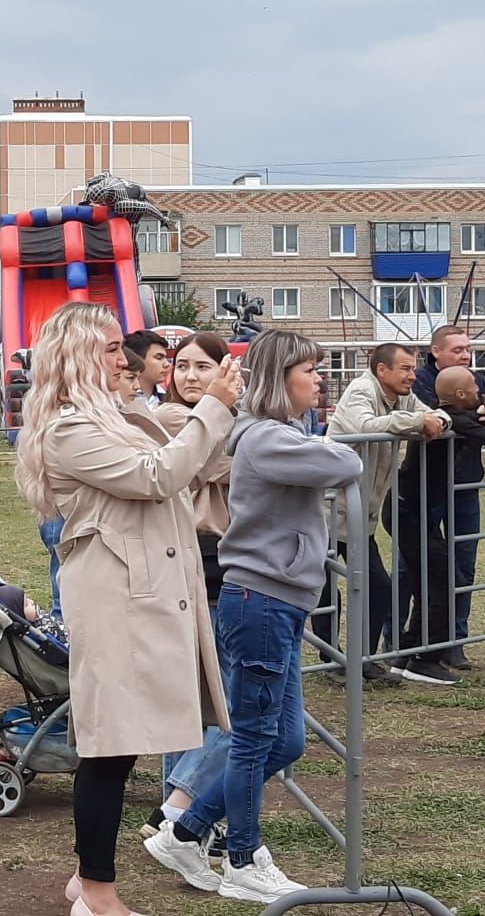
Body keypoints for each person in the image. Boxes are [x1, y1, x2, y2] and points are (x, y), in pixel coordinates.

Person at [12, 305, 238, 916]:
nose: (126, 360)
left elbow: (188, 466)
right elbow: (159, 476)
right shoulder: (68, 429)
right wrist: (212, 406)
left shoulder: (114, 415)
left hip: (141, 595)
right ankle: (98, 895)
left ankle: (86, 879)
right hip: (117, 601)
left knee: (123, 745)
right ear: (81, 356)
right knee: (110, 748)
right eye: (112, 349)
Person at [151, 329, 362, 904]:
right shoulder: (266, 438)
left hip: (280, 600)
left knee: (285, 742)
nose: (319, 380)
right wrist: (341, 450)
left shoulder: (282, 434)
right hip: (262, 601)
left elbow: (340, 459)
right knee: (251, 739)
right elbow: (347, 460)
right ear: (280, 378)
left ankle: (187, 830)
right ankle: (243, 858)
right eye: (310, 371)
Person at [141, 331, 235, 851]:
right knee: (215, 694)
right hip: (198, 558)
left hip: (213, 559)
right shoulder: (171, 419)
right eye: (182, 367)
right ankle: (181, 807)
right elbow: (215, 463)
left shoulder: (216, 422)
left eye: (203, 367)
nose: (190, 377)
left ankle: (182, 815)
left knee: (195, 692)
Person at [393, 367, 485, 684]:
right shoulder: (454, 419)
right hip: (409, 513)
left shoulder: (454, 416)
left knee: (434, 582)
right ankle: (424, 659)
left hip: (413, 511)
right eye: (475, 388)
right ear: (460, 395)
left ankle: (408, 654)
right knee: (447, 582)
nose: (481, 391)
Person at [319, 343, 448, 682]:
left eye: (413, 368)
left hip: (363, 512)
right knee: (325, 587)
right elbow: (365, 425)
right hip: (328, 507)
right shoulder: (361, 390)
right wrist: (418, 421)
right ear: (382, 371)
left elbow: (436, 414)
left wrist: (432, 419)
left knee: (377, 586)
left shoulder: (403, 397)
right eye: (405, 368)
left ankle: (361, 658)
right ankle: (331, 659)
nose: (412, 375)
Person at [407, 326, 485, 666]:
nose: (465, 355)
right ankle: (401, 640)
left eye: (467, 349)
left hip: (465, 484)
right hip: (426, 489)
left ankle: (454, 641)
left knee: (463, 566)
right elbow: (441, 414)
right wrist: (482, 414)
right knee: (413, 568)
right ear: (435, 351)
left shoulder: (476, 380)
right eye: (457, 350)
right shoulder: (419, 381)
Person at [124, 328, 172, 405]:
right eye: (159, 357)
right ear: (137, 358)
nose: (167, 364)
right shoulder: (118, 398)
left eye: (166, 358)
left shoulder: (170, 400)